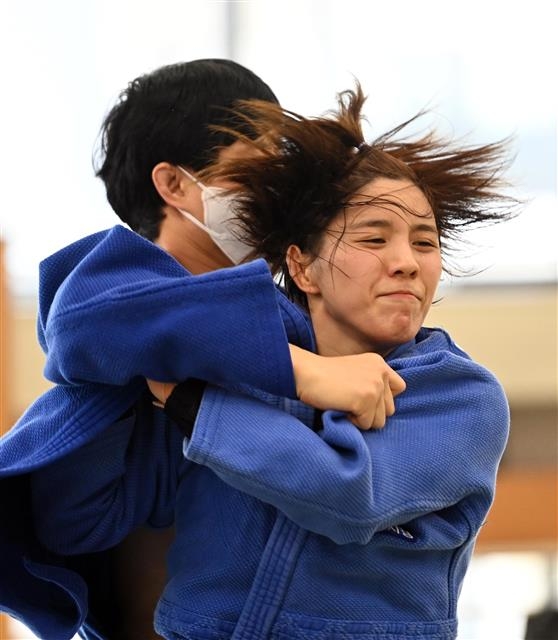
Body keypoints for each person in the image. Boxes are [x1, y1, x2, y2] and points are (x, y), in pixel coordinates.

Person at [31, 85, 518, 639]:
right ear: (302, 267)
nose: (406, 263)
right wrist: (121, 380)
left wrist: (186, 399)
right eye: (373, 237)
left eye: (426, 243)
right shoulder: (232, 370)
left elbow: (349, 495)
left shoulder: (461, 395)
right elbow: (80, 520)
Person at [0, 61, 403, 640]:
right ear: (174, 185)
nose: (275, 195)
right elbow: (89, 326)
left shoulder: (287, 311)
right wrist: (304, 372)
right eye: (255, 171)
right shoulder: (106, 294)